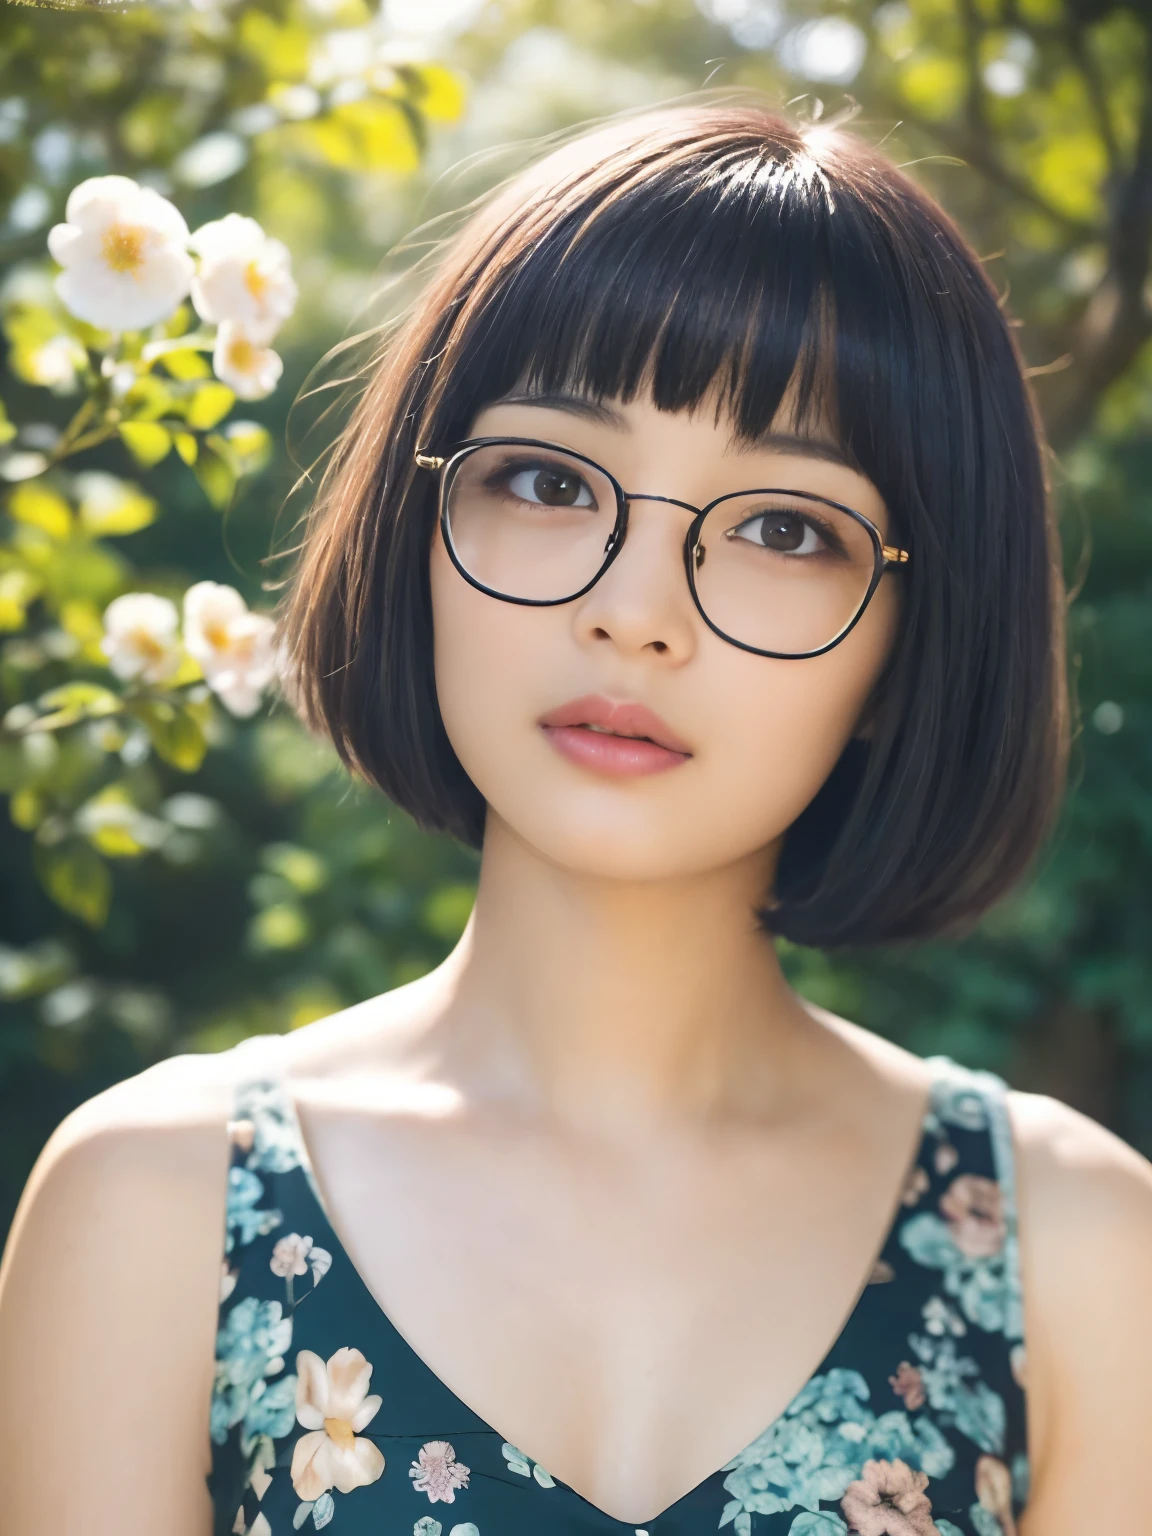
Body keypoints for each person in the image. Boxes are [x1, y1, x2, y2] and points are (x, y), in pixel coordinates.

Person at [1, 98, 1150, 1536]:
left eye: (786, 527)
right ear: (420, 527)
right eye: (547, 481)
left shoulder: (1076, 1254)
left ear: (910, 641)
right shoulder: (155, 1207)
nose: (634, 615)